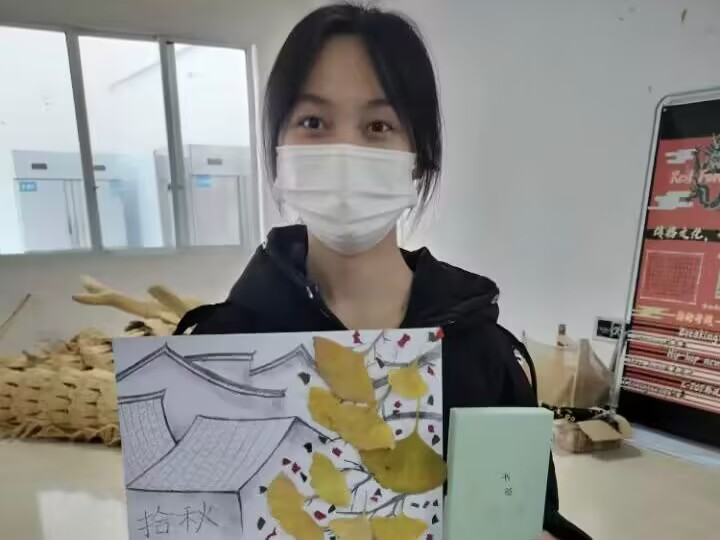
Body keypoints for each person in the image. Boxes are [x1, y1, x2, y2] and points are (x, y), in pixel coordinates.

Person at [176, 4, 590, 539]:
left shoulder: (483, 355)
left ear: (419, 156)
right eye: (313, 122)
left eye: (378, 125)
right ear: (278, 148)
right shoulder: (220, 350)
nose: (344, 152)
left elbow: (529, 515)